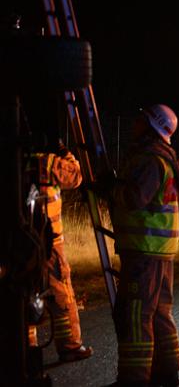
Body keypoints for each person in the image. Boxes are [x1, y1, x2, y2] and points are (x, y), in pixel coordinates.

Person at [111, 104, 179, 387]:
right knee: (158, 314)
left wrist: (111, 188)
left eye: (141, 119)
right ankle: (167, 374)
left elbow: (134, 198)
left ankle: (133, 380)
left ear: (151, 127)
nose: (135, 123)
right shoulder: (164, 159)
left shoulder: (150, 160)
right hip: (158, 252)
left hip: (144, 251)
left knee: (135, 315)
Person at [28, 141, 93, 362]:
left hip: (16, 244)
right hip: (49, 242)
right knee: (61, 293)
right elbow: (75, 176)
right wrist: (66, 152)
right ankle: (70, 347)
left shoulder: (11, 162)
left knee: (23, 293)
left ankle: (27, 350)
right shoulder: (46, 162)